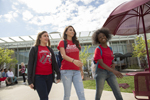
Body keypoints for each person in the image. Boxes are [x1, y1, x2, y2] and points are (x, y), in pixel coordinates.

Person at [28, 31, 60, 100]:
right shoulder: (34, 49)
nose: (47, 37)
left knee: (44, 97)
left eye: (47, 36)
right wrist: (29, 80)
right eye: (44, 36)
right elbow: (30, 65)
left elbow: (54, 63)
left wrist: (58, 74)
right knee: (44, 98)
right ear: (39, 38)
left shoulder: (50, 49)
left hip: (49, 77)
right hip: (39, 77)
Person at [92, 28, 123, 100]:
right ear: (98, 40)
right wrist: (114, 71)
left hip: (110, 72)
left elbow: (111, 59)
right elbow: (102, 64)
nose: (102, 38)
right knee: (99, 93)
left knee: (117, 91)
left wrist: (113, 64)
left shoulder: (110, 49)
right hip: (101, 73)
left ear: (106, 36)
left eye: (103, 36)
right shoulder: (98, 49)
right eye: (100, 37)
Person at [57, 25, 85, 100]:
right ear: (66, 32)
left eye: (73, 30)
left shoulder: (76, 43)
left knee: (81, 93)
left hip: (77, 71)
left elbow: (78, 58)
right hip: (66, 71)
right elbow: (63, 55)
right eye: (70, 30)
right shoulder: (62, 42)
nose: (72, 31)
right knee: (67, 95)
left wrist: (81, 70)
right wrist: (73, 61)